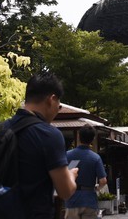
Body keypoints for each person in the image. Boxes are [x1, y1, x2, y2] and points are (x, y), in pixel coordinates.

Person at [11, 70, 78, 218]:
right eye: (59, 106)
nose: (57, 111)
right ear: (51, 99)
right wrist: (71, 176)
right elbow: (65, 191)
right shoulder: (48, 134)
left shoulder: (2, 130)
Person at [65, 124, 108, 219]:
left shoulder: (67, 155)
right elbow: (103, 181)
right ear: (92, 139)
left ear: (79, 137)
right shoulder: (95, 158)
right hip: (89, 200)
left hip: (72, 200)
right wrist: (96, 189)